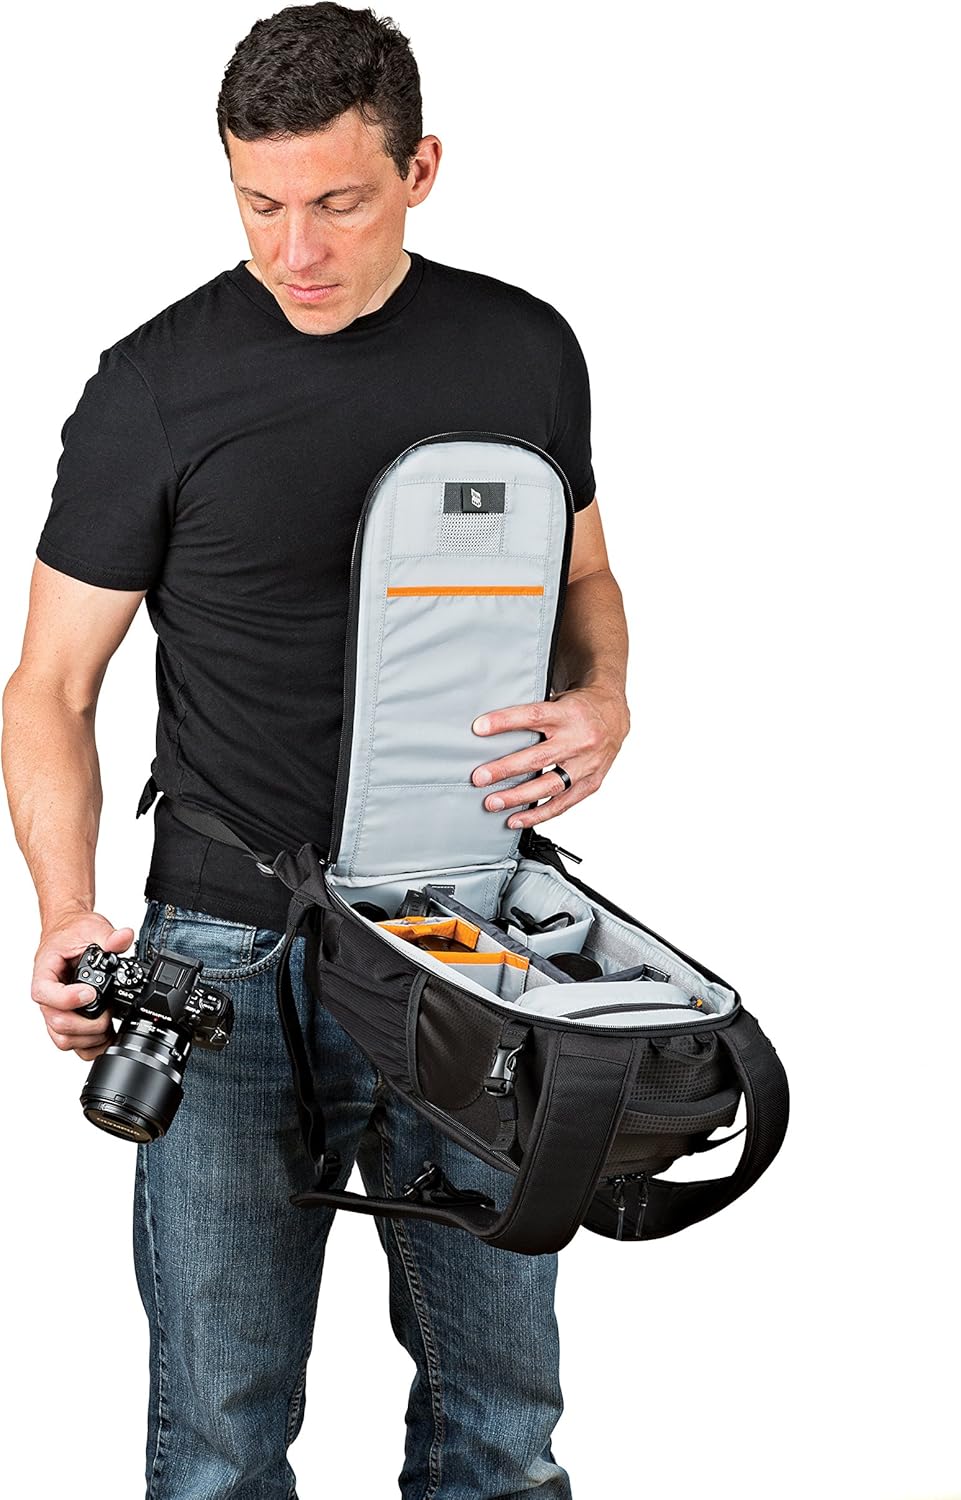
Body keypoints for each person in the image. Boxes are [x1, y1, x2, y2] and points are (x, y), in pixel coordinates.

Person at [2, 5, 630, 1497]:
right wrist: (65, 908)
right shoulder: (155, 385)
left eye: (337, 202)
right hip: (225, 955)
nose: (295, 250)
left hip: (465, 932)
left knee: (500, 1425)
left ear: (420, 168)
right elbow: (49, 688)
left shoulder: (523, 351)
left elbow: (587, 581)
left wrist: (605, 697)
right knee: (219, 1438)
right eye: (258, 204)